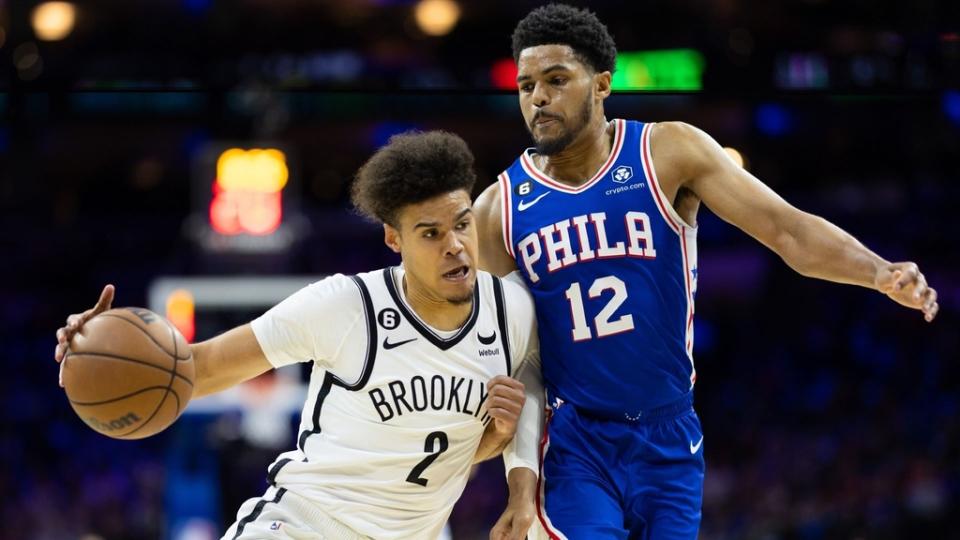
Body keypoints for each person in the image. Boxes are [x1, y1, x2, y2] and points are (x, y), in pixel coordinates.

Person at [475, 5, 940, 539]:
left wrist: (878, 272)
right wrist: (518, 484)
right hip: (577, 443)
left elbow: (786, 230)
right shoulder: (499, 208)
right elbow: (513, 365)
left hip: (669, 431)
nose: (538, 97)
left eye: (557, 80)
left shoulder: (667, 151)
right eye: (526, 84)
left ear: (602, 84)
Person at [54, 131, 541, 539]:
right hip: (306, 526)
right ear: (394, 239)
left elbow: (449, 452)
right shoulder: (343, 306)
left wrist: (498, 437)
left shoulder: (512, 312)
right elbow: (195, 369)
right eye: (430, 234)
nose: (455, 246)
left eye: (461, 225)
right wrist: (96, 352)